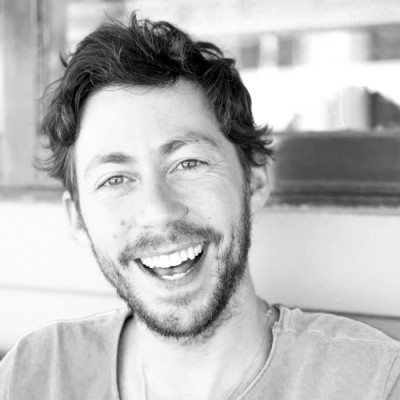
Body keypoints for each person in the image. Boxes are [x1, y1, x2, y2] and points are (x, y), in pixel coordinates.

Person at [1, 13, 399, 400]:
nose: (159, 211)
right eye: (115, 179)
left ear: (254, 181)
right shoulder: (35, 372)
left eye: (188, 163)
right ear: (77, 218)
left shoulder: (373, 381)